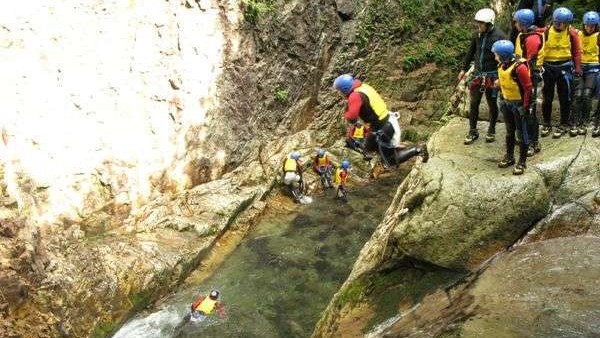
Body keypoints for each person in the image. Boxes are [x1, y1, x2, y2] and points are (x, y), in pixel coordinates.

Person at [333, 74, 428, 169]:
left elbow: (352, 117)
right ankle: (394, 148)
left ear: (345, 89)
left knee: (389, 162)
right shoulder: (363, 87)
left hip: (383, 127)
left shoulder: (355, 96)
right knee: (368, 147)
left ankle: (418, 149)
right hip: (384, 122)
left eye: (339, 90)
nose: (339, 93)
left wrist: (346, 113)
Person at [459, 8, 508, 145]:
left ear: (489, 23)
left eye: (481, 23)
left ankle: (491, 129)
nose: (478, 26)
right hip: (478, 74)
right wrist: (463, 69)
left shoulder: (500, 37)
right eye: (478, 23)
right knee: (474, 102)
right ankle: (473, 130)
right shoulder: (477, 35)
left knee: (492, 103)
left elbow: (505, 58)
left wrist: (501, 76)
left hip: (492, 75)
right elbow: (471, 52)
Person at [540, 7, 582, 138]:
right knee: (547, 98)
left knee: (565, 98)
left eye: (563, 23)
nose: (559, 25)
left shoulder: (571, 33)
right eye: (557, 22)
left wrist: (578, 68)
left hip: (564, 68)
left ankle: (563, 123)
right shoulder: (546, 31)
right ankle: (546, 123)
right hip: (548, 68)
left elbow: (576, 52)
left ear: (568, 23)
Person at [492, 40, 533, 175]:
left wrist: (526, 107)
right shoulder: (501, 64)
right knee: (510, 132)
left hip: (519, 105)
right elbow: (504, 78)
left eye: (496, 54)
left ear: (503, 55)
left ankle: (522, 162)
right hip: (506, 102)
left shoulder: (519, 68)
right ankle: (510, 157)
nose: (495, 57)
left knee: (521, 134)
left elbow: (528, 88)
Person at [513, 8, 544, 156]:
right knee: (526, 111)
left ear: (523, 23)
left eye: (517, 22)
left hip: (531, 77)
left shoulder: (532, 39)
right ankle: (530, 140)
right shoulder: (523, 35)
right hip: (525, 75)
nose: (515, 25)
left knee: (529, 111)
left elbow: (530, 62)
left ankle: (533, 142)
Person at [571, 11, 599, 136]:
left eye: (592, 26)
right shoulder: (578, 33)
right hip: (580, 68)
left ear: (596, 26)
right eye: (587, 25)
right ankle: (575, 122)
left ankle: (584, 122)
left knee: (587, 95)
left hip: (593, 69)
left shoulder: (598, 35)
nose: (589, 28)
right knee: (578, 95)